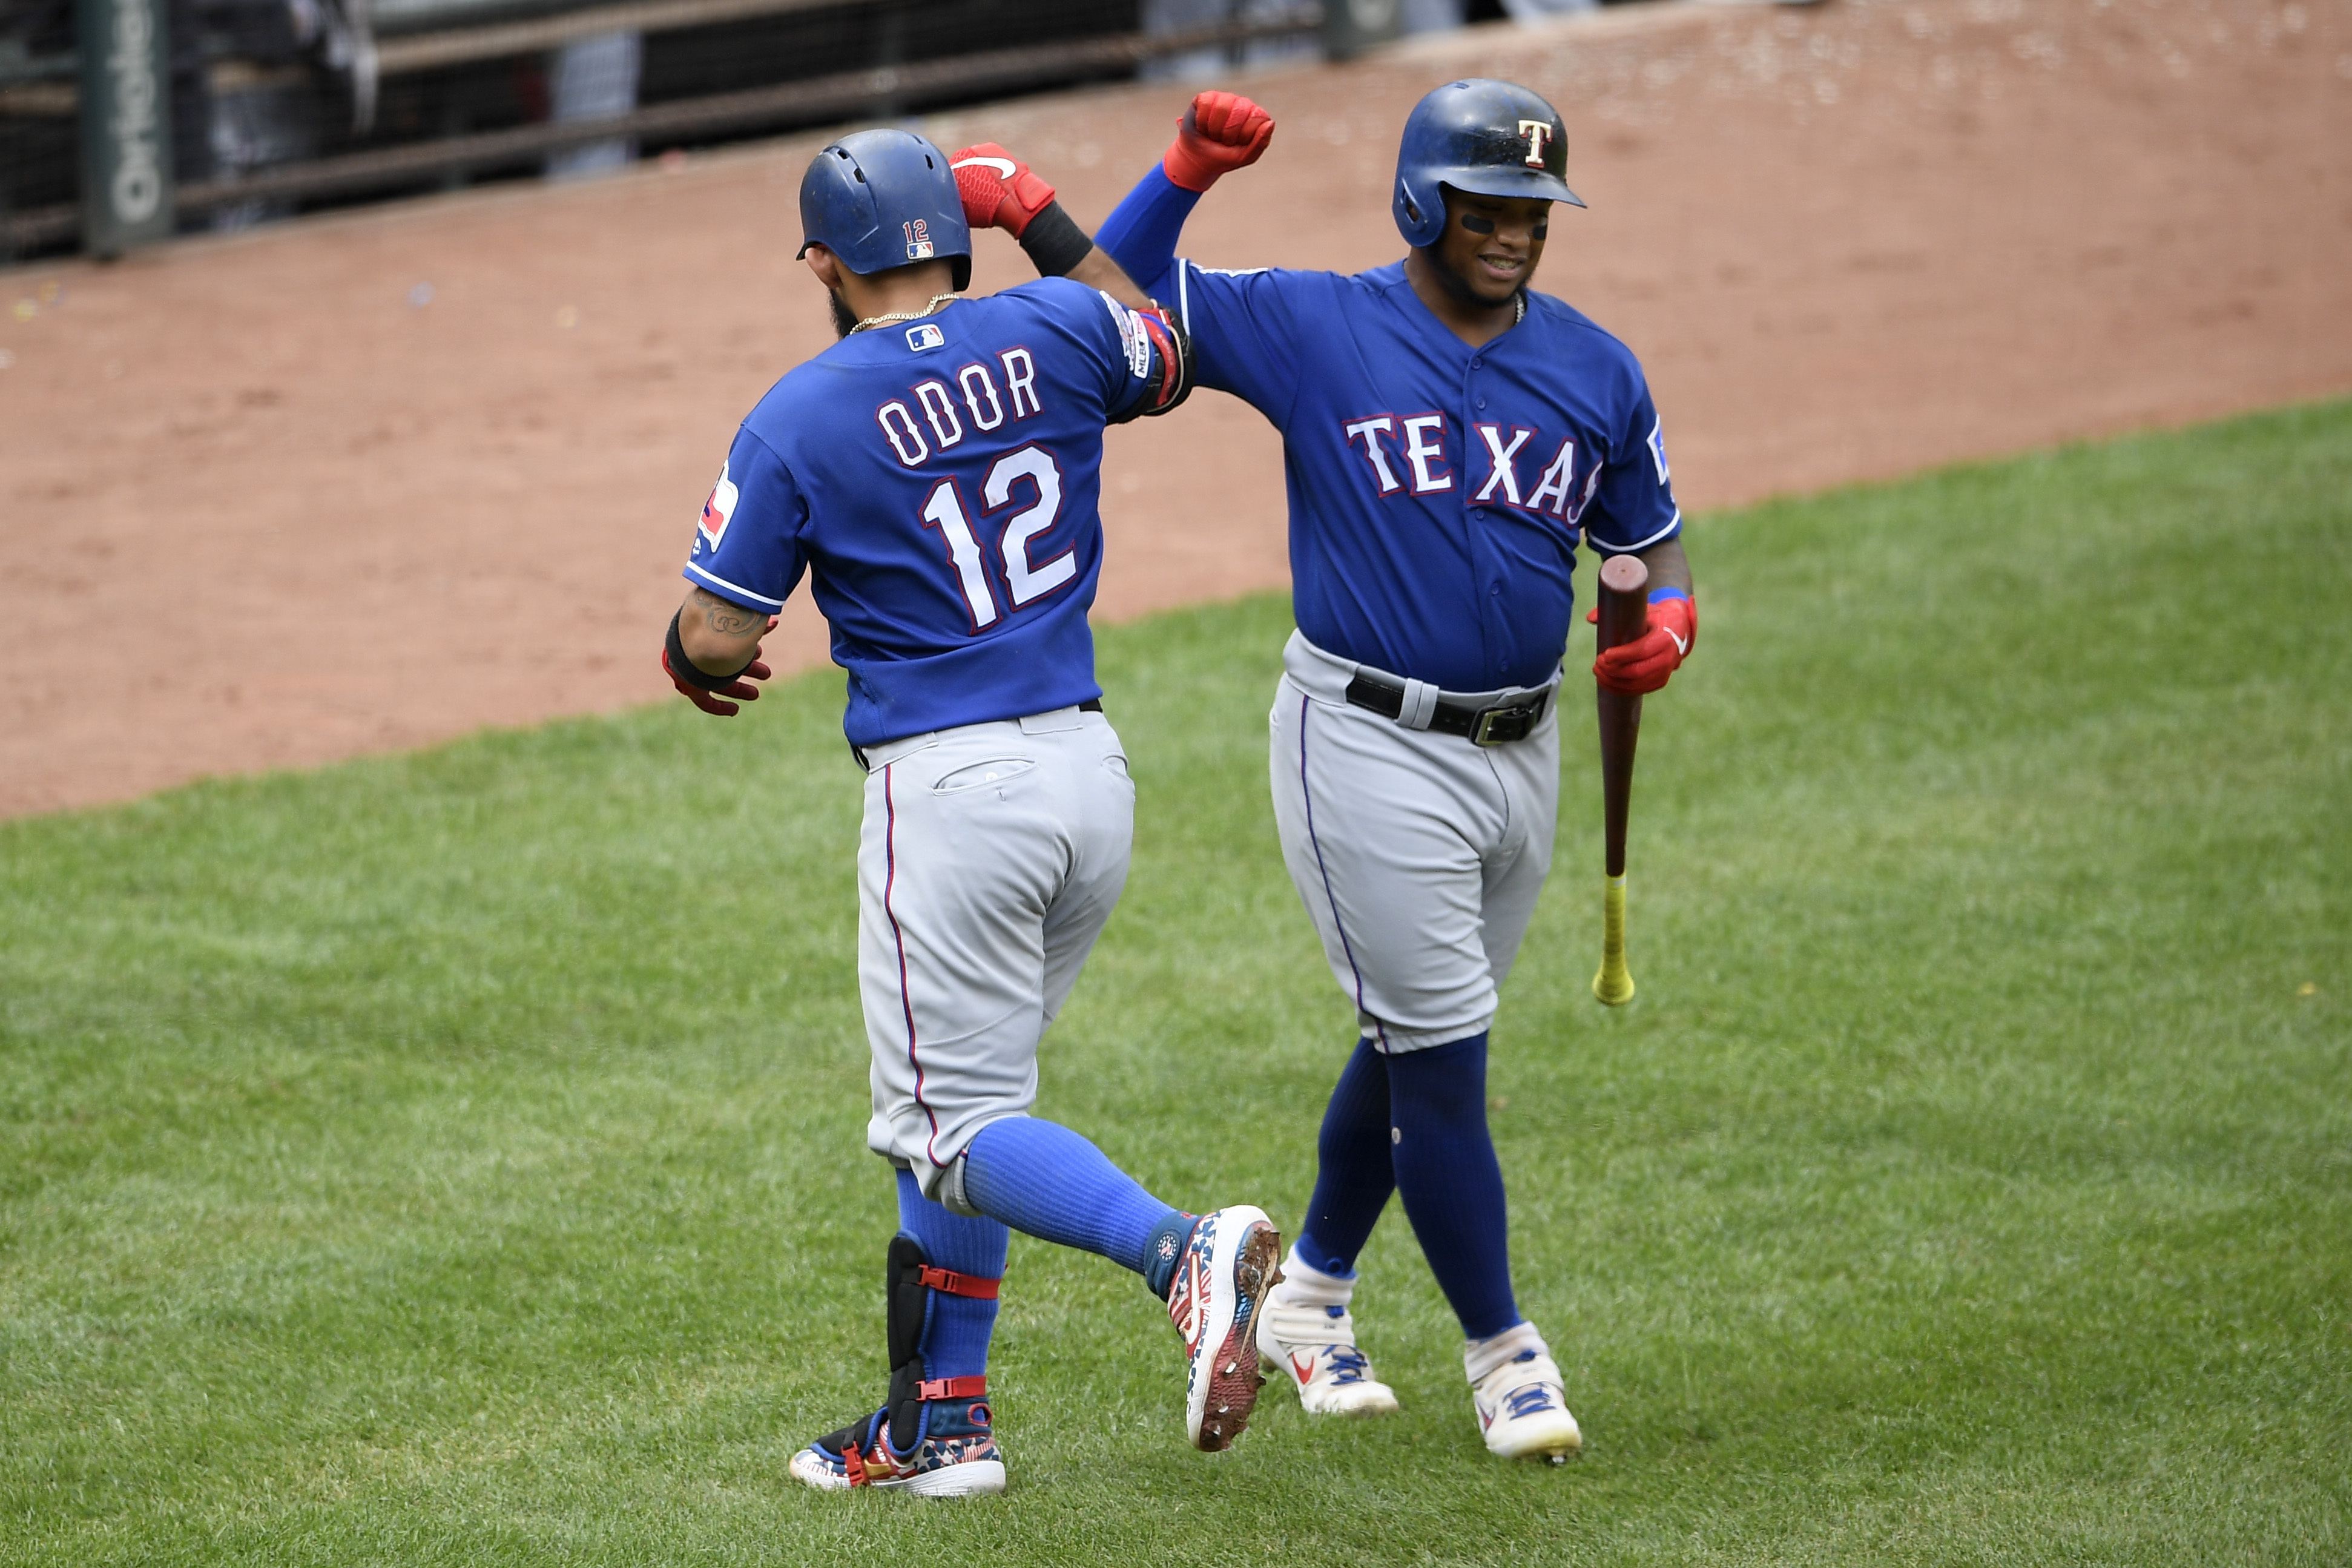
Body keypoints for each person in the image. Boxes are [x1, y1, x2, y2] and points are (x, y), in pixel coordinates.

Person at [660, 127, 1280, 1497]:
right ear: (957, 233)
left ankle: (1181, 1248)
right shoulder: (1059, 324)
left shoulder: (803, 411)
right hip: (1087, 775)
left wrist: (686, 653)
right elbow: (1159, 343)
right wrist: (1043, 215)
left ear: (824, 260)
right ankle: (939, 1422)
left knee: (950, 1127)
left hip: (947, 799)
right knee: (971, 1105)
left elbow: (715, 633)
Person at [1091, 81, 1699, 1461]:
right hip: (1361, 743)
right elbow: (1116, 291)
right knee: (1442, 1058)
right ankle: (1502, 1350)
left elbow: (1648, 539)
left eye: (1534, 209)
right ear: (1422, 200)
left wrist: (1666, 616)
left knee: (1413, 1030)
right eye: (1488, 204)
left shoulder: (1596, 368)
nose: (1515, 232)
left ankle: (1305, 1293)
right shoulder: (1316, 325)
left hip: (1522, 750)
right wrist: (1184, 168)